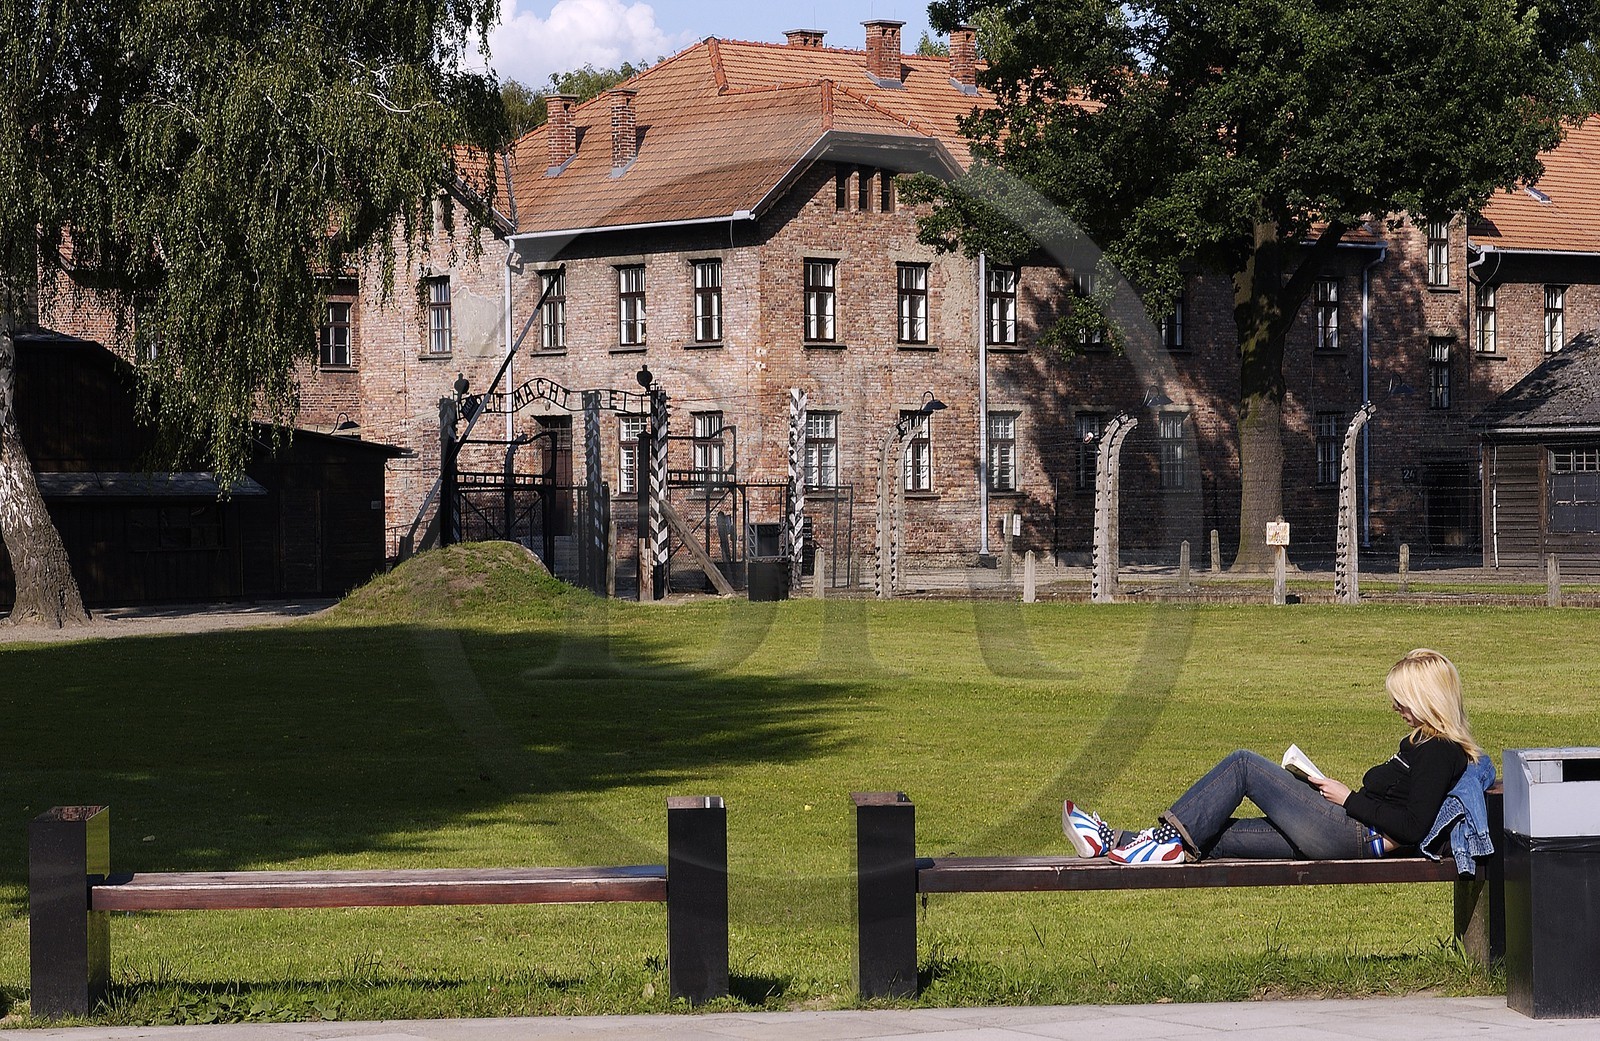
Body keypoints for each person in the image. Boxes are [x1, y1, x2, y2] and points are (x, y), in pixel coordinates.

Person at [1063, 648, 1485, 865]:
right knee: (1215, 835)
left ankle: (1167, 839)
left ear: (1427, 699)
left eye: (1402, 700)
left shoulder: (1438, 750)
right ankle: (1111, 840)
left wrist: (1347, 798)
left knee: (1244, 764)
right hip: (1347, 830)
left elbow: (1413, 826)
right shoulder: (1424, 744)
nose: (1395, 708)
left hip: (1353, 835)